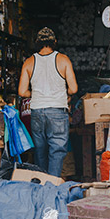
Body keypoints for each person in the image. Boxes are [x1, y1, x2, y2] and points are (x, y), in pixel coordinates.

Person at [18, 27, 78, 177]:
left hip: (37, 111)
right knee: (56, 151)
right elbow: (74, 88)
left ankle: (42, 184)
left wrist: (37, 93)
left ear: (37, 43)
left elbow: (22, 92)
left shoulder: (29, 62)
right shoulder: (63, 59)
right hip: (57, 111)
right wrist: (64, 93)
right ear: (54, 42)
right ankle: (52, 186)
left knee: (40, 150)